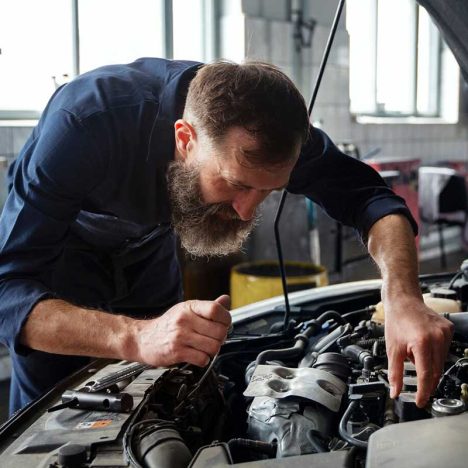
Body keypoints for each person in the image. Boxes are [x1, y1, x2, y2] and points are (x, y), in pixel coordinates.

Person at [0, 58, 452, 415]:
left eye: (269, 191)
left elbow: (371, 199)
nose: (247, 211)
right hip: (61, 264)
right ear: (185, 138)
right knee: (58, 422)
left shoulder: (269, 128)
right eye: (237, 183)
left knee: (166, 402)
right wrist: (134, 337)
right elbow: (8, 291)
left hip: (148, 255)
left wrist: (403, 297)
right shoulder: (86, 122)